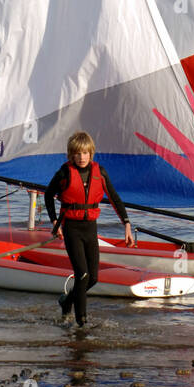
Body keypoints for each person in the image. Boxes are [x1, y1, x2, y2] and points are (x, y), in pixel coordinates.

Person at [44, 131, 132, 326]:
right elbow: (48, 195)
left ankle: (66, 301)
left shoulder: (100, 172)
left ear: (90, 153)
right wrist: (53, 222)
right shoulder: (65, 173)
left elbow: (115, 198)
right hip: (71, 228)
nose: (81, 157)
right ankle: (81, 323)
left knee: (93, 278)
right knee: (82, 275)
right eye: (77, 154)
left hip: (90, 228)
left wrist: (126, 223)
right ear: (71, 155)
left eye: (85, 153)